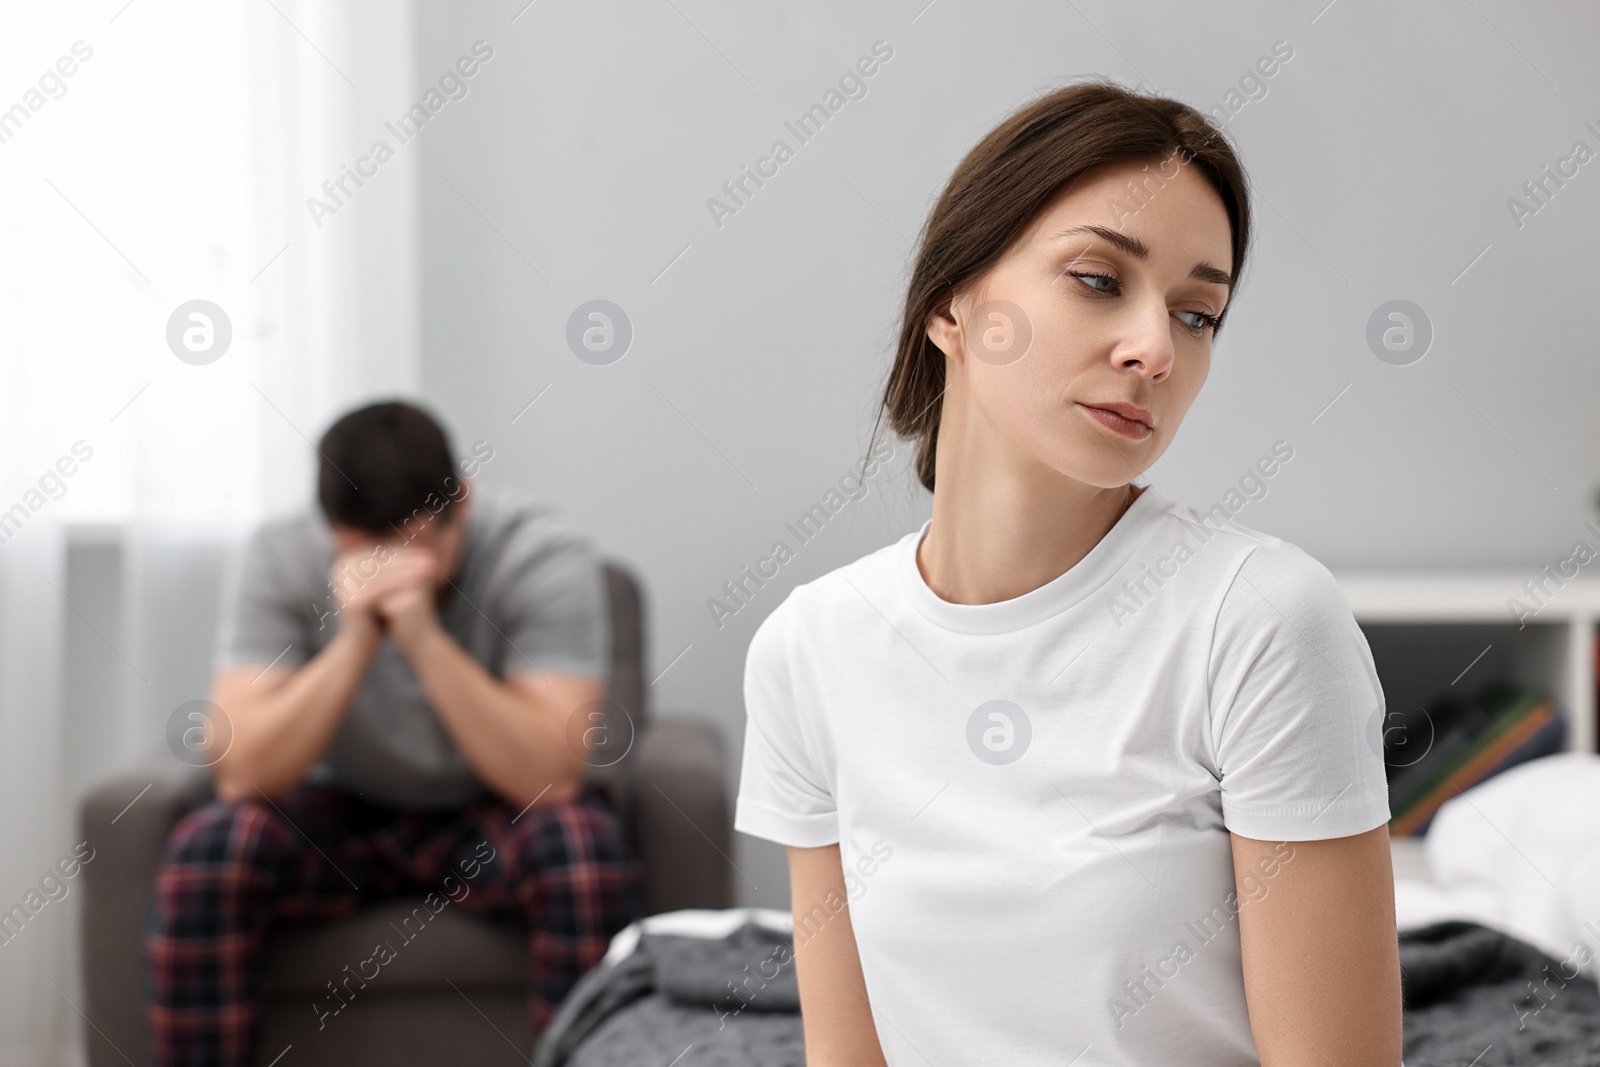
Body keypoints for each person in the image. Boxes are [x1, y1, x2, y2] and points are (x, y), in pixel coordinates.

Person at [734, 79, 1402, 1065]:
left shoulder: (1257, 619)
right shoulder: (810, 648)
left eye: (1196, 314)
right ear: (951, 305)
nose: (1154, 349)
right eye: (1098, 278)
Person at [144, 400, 644, 1065]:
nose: (385, 575)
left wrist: (419, 635)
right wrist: (354, 640)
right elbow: (242, 771)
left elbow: (548, 778)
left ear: (460, 502)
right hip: (340, 808)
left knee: (584, 845)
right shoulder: (281, 555)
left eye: (410, 549)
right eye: (363, 554)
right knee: (210, 848)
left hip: (488, 810)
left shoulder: (542, 553)